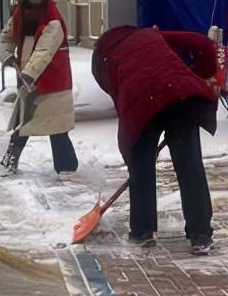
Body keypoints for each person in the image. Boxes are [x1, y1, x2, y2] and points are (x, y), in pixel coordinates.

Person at [91, 25, 219, 254]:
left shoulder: (105, 58)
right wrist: (206, 75)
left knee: (141, 168)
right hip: (181, 94)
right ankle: (201, 235)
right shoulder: (151, 35)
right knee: (190, 166)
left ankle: (142, 233)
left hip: (146, 99)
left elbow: (123, 100)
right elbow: (204, 44)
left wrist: (137, 152)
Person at [0, 0, 78, 178]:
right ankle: (9, 162)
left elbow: (44, 51)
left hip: (53, 83)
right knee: (24, 124)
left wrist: (28, 74)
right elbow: (6, 38)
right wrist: (7, 55)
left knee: (56, 127)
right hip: (29, 81)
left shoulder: (53, 21)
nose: (33, 1)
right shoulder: (19, 16)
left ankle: (67, 167)